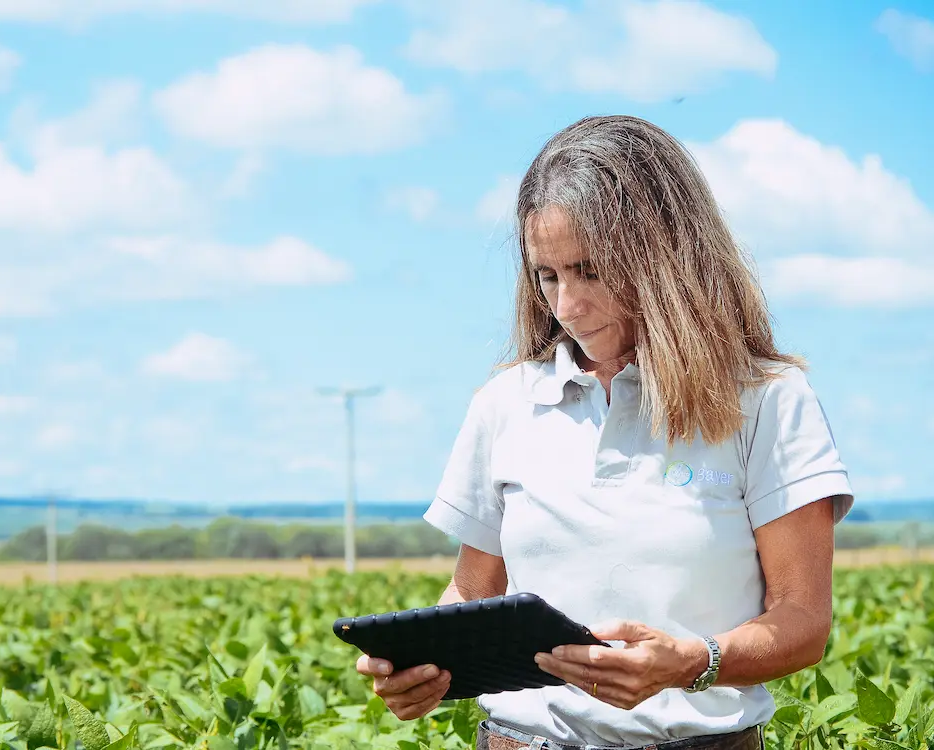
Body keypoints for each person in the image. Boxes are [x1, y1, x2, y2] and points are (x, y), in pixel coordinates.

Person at [356, 115, 854, 750]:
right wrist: (418, 665)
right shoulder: (505, 404)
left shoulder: (767, 401)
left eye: (590, 270)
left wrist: (696, 661)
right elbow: (472, 593)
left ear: (667, 257)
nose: (566, 305)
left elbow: (803, 623)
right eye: (548, 275)